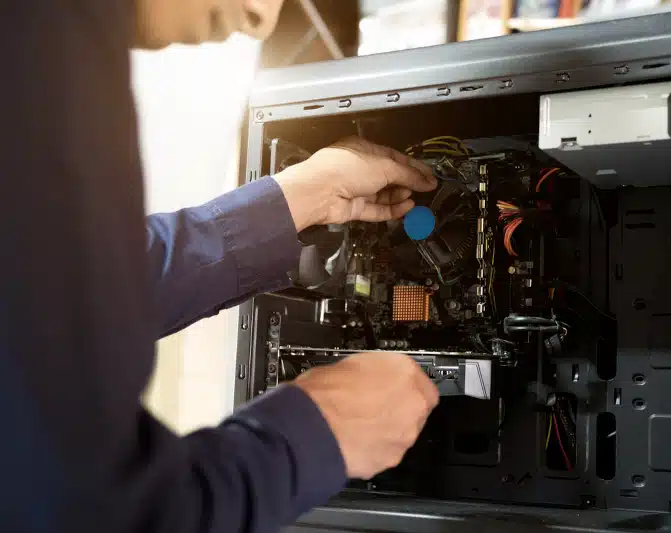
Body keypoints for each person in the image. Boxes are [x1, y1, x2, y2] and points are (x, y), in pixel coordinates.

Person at [1, 2, 440, 533]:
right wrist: (310, 438)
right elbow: (78, 509)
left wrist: (292, 200)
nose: (262, 18)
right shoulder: (41, 34)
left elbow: (47, 290)